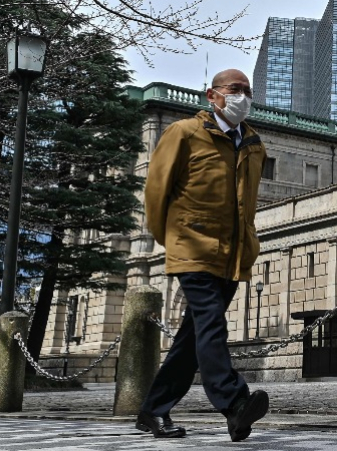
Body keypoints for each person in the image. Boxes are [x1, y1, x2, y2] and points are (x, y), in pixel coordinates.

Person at [136, 69, 268, 441]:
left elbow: (248, 205)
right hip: (192, 248)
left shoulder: (255, 144)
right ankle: (234, 402)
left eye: (247, 90)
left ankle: (152, 410)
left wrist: (248, 244)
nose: (242, 96)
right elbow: (156, 192)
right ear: (213, 96)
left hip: (233, 254)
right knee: (212, 324)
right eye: (234, 89)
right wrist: (173, 240)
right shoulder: (183, 132)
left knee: (191, 339)